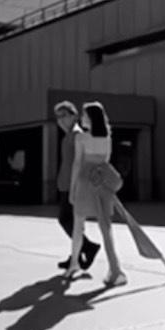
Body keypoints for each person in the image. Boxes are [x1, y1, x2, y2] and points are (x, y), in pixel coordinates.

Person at [64, 101, 126, 288]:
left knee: (78, 225)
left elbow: (77, 164)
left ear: (91, 118)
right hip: (101, 184)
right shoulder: (107, 138)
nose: (81, 118)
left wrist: (72, 189)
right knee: (106, 228)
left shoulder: (81, 138)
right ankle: (115, 269)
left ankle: (74, 264)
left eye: (84, 115)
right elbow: (106, 162)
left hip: (84, 183)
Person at [53, 101, 101, 272]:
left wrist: (78, 186)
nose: (60, 120)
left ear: (74, 116)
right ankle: (77, 256)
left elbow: (81, 162)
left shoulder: (77, 135)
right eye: (58, 117)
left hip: (74, 185)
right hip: (65, 184)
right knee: (73, 222)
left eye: (64, 115)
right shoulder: (67, 136)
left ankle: (88, 247)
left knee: (66, 220)